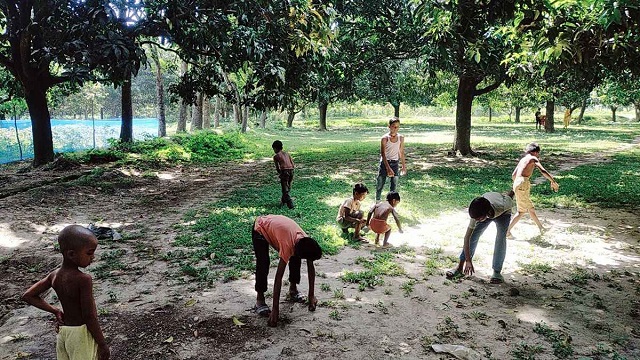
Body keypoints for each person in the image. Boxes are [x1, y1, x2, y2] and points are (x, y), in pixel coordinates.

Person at [22, 225, 110, 360]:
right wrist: (102, 344)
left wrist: (55, 311)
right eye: (89, 253)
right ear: (71, 254)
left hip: (64, 333)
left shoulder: (54, 276)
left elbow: (28, 296)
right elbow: (89, 316)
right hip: (81, 335)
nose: (93, 257)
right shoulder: (83, 279)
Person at [252, 215, 322, 327]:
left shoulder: (305, 240)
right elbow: (278, 277)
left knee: (295, 257)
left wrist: (311, 296)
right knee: (263, 262)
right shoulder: (287, 245)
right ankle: (260, 299)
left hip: (279, 227)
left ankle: (293, 290)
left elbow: (311, 268)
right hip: (260, 226)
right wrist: (275, 310)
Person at [446, 191, 514, 284]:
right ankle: (459, 268)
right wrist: (468, 260)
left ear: (485, 214)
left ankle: (497, 272)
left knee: (501, 238)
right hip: (486, 209)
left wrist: (513, 189)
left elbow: (510, 195)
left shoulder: (503, 205)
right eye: (475, 219)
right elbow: (467, 238)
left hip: (503, 213)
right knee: (473, 236)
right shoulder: (476, 210)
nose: (476, 220)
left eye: (478, 219)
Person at [507, 142, 559, 238]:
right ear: (536, 152)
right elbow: (543, 170)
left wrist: (517, 185)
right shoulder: (533, 158)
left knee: (530, 208)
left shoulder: (523, 159)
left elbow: (513, 175)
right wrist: (553, 181)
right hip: (523, 183)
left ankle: (541, 228)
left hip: (517, 182)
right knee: (521, 211)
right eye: (538, 153)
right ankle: (507, 232)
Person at [375, 117, 406, 202]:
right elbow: (383, 154)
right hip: (385, 163)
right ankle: (377, 202)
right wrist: (388, 168)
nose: (396, 129)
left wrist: (403, 166)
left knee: (394, 185)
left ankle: (390, 203)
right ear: (389, 126)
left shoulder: (401, 138)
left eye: (397, 127)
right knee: (380, 184)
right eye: (394, 126)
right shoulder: (385, 138)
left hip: (395, 163)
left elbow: (401, 152)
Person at [272, 140, 295, 209]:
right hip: (291, 170)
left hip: (284, 171)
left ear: (275, 148)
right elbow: (292, 164)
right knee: (287, 186)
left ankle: (290, 204)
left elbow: (277, 168)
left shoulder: (276, 156)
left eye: (273, 149)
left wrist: (281, 174)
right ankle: (283, 201)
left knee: (284, 189)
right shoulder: (287, 154)